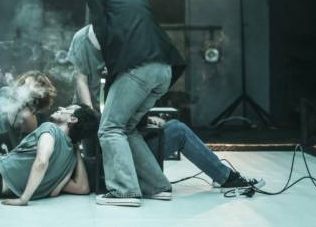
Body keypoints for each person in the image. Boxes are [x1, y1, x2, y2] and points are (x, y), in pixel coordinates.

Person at [68, 21, 262, 193]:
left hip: (133, 147)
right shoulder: (79, 112)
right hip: (114, 157)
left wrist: (144, 118)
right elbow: (83, 85)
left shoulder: (127, 56)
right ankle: (136, 182)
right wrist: (91, 116)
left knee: (177, 129)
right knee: (113, 135)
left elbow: (131, 102)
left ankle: (226, 177)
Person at [85, 0, 186, 207]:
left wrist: (109, 66)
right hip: (164, 68)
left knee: (109, 128)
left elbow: (102, 31)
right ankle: (157, 186)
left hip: (138, 69)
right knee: (127, 128)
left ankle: (124, 191)